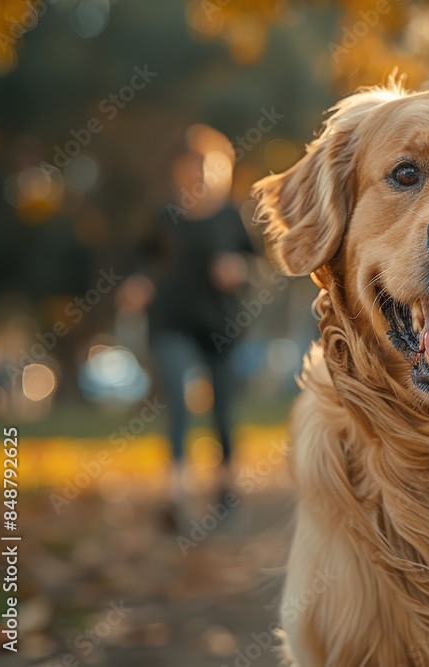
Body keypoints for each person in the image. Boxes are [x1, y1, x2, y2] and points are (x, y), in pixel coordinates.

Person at [117, 125, 254, 523]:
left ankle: (225, 493)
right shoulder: (164, 218)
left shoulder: (231, 218)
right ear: (179, 171)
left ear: (222, 170)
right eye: (191, 167)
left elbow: (258, 267)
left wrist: (239, 270)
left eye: (208, 167)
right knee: (177, 400)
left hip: (222, 328)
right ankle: (176, 495)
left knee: (222, 412)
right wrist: (136, 283)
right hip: (170, 323)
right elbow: (138, 261)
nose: (199, 175)